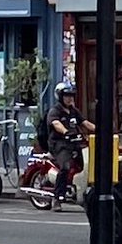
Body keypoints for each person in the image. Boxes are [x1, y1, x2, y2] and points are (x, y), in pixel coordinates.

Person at [45, 83, 95, 212]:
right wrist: (66, 132)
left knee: (85, 167)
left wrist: (102, 129)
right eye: (67, 96)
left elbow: (85, 123)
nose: (70, 98)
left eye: (71, 96)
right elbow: (56, 123)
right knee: (65, 167)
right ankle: (57, 198)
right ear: (60, 97)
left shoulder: (73, 111)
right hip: (59, 144)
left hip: (74, 143)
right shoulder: (55, 111)